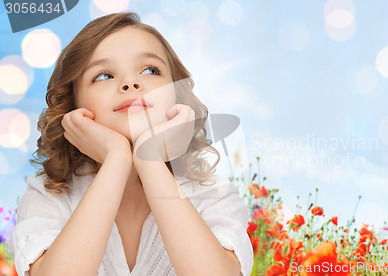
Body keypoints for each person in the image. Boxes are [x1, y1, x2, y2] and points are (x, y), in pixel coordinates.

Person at [8, 12, 253, 276]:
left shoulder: (212, 195)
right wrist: (116, 158)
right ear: (73, 105)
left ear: (177, 95)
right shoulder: (49, 197)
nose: (130, 83)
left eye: (150, 70)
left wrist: (150, 159)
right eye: (103, 75)